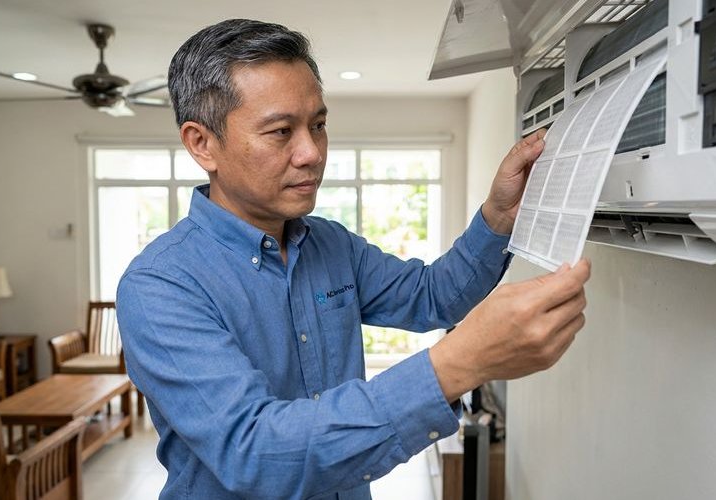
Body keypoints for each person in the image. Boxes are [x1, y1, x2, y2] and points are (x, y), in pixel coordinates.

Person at [117, 18, 590, 500]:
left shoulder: (330, 244)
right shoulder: (160, 285)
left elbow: (433, 296)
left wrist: (498, 216)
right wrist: (457, 364)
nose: (312, 153)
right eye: (281, 131)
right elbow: (256, 451)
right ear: (202, 144)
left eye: (318, 126)